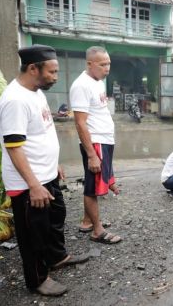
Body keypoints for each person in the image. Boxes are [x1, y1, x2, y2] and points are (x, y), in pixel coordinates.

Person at [0, 45, 91, 297]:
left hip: (45, 175)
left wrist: (53, 164)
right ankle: (37, 279)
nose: (56, 77)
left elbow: (40, 133)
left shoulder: (35, 92)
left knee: (55, 218)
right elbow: (14, 148)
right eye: (52, 71)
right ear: (32, 68)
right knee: (33, 233)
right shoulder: (15, 100)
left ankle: (57, 257)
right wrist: (34, 184)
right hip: (29, 183)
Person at [69, 46, 122, 245]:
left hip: (105, 139)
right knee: (92, 187)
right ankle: (97, 231)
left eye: (108, 63)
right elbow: (80, 122)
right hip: (96, 142)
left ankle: (87, 221)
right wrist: (91, 154)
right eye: (102, 64)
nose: (107, 68)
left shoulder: (97, 82)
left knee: (94, 182)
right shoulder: (81, 85)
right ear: (90, 64)